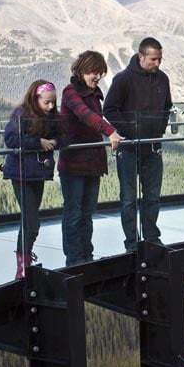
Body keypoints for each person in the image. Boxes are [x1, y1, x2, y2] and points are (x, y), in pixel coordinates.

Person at [104, 37, 172, 253]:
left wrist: (159, 129)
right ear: (141, 56)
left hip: (153, 146)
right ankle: (132, 243)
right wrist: (129, 130)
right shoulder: (123, 79)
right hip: (129, 148)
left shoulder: (163, 79)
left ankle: (152, 238)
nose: (157, 63)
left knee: (153, 197)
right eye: (153, 59)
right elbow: (109, 109)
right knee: (129, 199)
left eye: (160, 59)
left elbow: (167, 107)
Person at [59, 51, 123, 266]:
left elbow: (93, 117)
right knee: (74, 213)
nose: (97, 77)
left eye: (100, 73)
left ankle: (86, 255)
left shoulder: (94, 92)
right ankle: (75, 259)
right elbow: (86, 115)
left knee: (87, 214)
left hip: (92, 162)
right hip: (74, 162)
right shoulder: (70, 93)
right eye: (93, 72)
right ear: (82, 69)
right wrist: (110, 131)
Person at [3, 80, 59, 279]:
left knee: (30, 220)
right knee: (31, 221)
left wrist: (55, 142)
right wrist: (38, 142)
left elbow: (62, 135)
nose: (51, 107)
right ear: (35, 99)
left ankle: (24, 261)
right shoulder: (21, 114)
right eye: (47, 103)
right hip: (21, 174)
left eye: (53, 102)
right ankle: (23, 264)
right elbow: (10, 139)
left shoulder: (51, 116)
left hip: (38, 174)